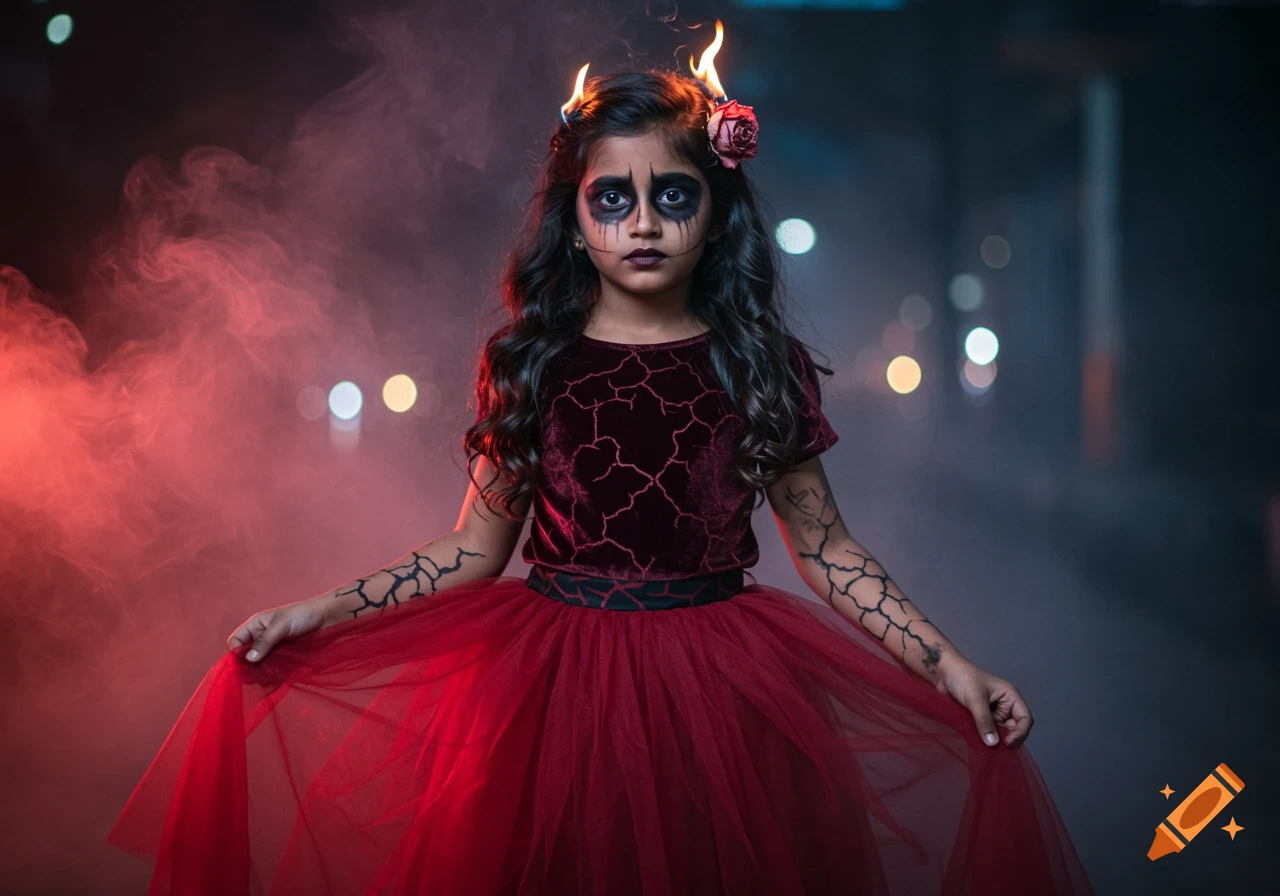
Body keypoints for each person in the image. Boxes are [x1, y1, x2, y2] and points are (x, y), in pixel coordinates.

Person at [106, 40, 1095, 896]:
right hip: (553, 702)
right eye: (611, 198)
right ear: (575, 215)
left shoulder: (755, 361)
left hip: (725, 703)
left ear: (715, 210)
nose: (643, 221)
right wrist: (315, 611)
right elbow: (472, 549)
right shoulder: (533, 360)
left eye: (673, 195)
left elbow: (826, 548)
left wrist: (947, 663)